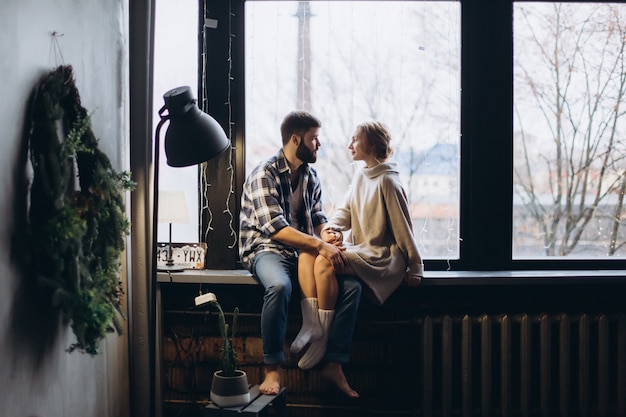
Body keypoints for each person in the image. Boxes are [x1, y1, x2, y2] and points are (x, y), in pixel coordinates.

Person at [239, 110, 363, 398]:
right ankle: (272, 367)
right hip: (266, 250)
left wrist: (328, 236)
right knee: (280, 286)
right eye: (314, 138)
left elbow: (318, 217)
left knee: (352, 288)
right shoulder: (264, 173)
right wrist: (319, 245)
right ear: (296, 139)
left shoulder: (310, 176)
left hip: (303, 255)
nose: (319, 144)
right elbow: (275, 229)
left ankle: (334, 362)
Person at [289, 120, 424, 370]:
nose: (349, 144)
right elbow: (345, 212)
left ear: (371, 145)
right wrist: (331, 230)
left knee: (324, 260)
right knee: (313, 253)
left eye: (355, 139)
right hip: (363, 251)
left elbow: (403, 228)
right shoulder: (362, 175)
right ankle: (315, 327)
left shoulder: (388, 181)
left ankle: (322, 337)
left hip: (383, 257)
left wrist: (415, 265)